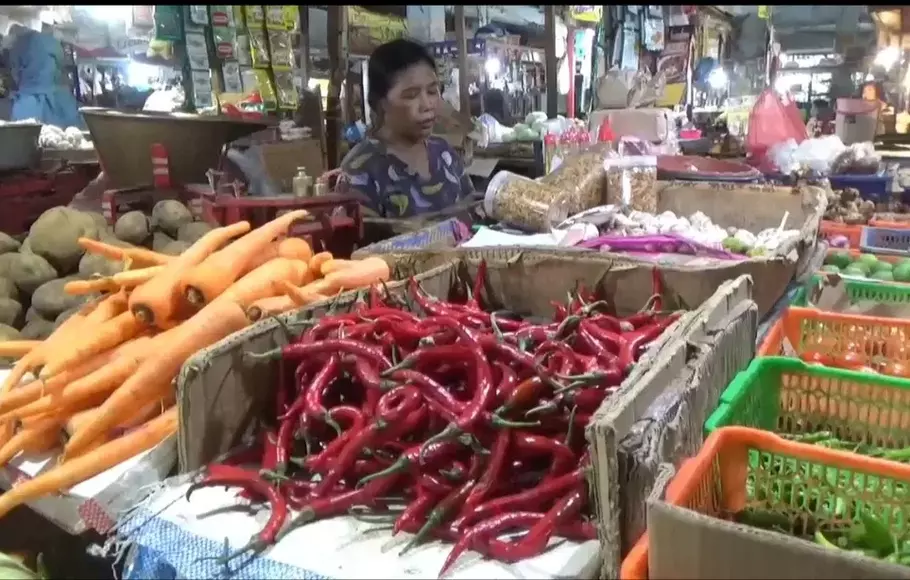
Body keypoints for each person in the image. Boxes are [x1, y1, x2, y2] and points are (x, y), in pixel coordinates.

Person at [335, 39, 473, 218]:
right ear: (381, 103)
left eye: (432, 92)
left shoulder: (444, 154)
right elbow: (360, 239)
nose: (427, 105)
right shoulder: (361, 168)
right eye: (411, 96)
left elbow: (472, 210)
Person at [7, 26, 84, 128]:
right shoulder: (52, 43)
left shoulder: (21, 45)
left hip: (28, 103)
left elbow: (15, 71)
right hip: (61, 104)